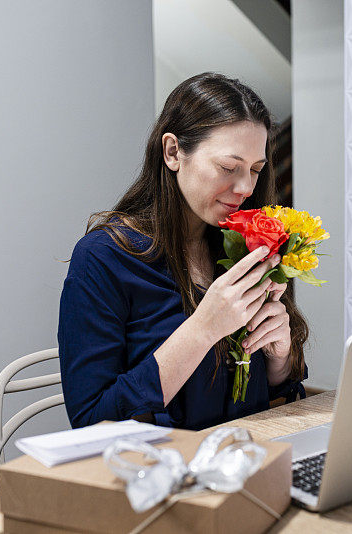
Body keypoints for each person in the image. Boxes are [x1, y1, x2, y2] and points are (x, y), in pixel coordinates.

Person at [58, 72, 309, 430]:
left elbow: (269, 397)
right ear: (173, 152)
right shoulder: (103, 257)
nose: (245, 188)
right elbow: (92, 421)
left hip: (246, 455)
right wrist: (203, 330)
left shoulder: (240, 246)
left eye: (255, 170)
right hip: (159, 471)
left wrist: (278, 357)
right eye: (228, 167)